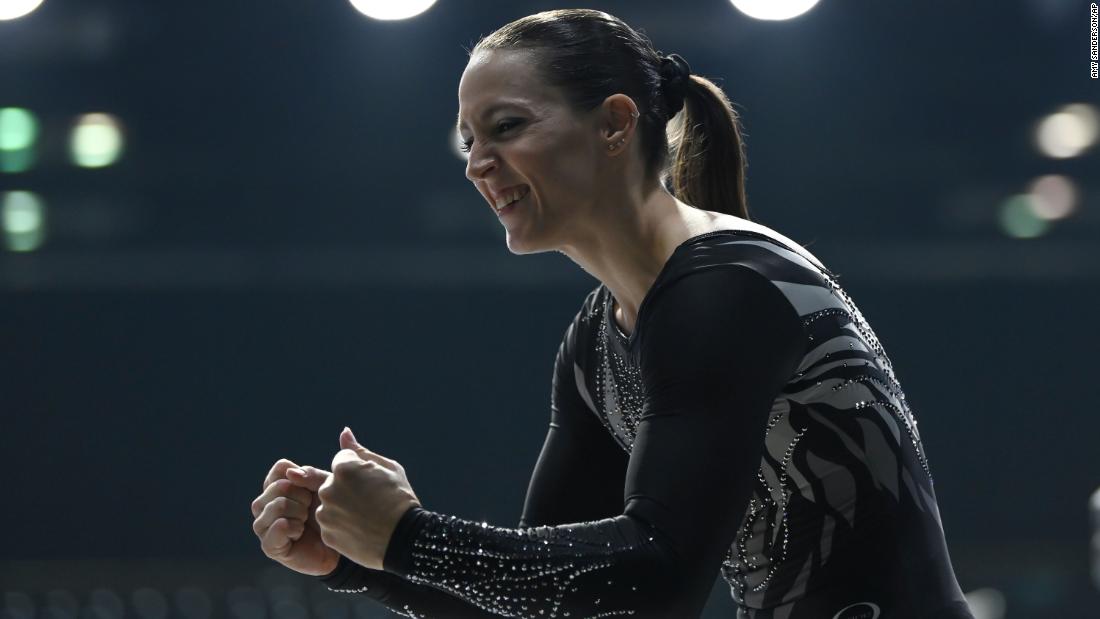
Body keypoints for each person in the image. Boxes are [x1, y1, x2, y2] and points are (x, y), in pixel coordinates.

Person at [249, 8, 974, 619]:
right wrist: (356, 558)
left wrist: (407, 535)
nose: (477, 162)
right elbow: (551, 601)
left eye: (506, 127)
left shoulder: (726, 286)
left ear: (615, 124)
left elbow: (658, 577)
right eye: (471, 141)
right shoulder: (597, 342)